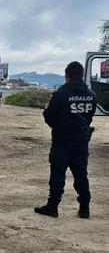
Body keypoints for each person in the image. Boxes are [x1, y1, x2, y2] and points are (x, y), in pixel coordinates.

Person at [35, 61, 97, 219]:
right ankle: (84, 208)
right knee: (81, 174)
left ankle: (53, 206)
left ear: (67, 75)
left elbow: (49, 117)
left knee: (58, 174)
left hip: (62, 140)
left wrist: (47, 112)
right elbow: (89, 117)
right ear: (82, 75)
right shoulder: (91, 95)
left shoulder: (61, 94)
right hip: (81, 140)